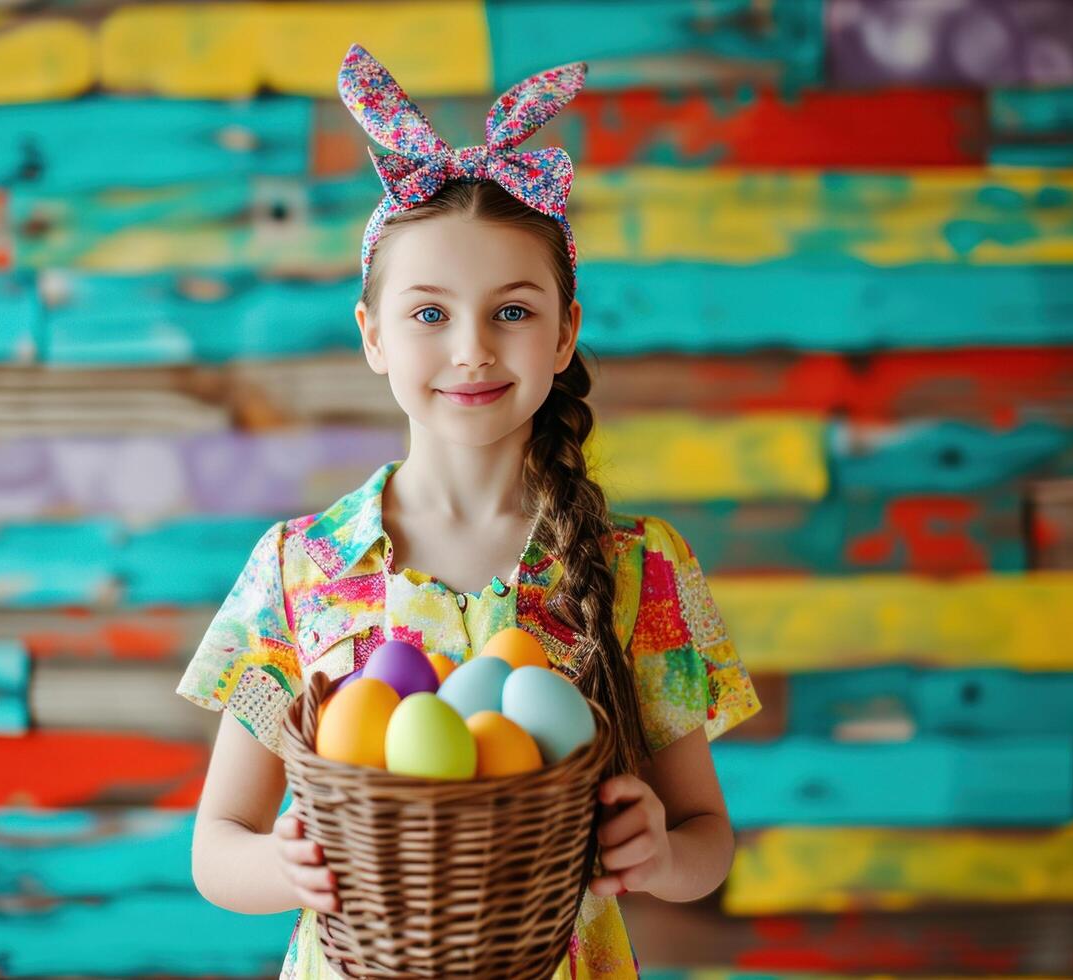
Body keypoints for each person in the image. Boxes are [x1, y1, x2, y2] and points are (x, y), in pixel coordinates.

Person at [175, 41, 763, 979]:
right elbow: (216, 848)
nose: (472, 350)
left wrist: (661, 849)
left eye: (514, 312)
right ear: (371, 335)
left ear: (565, 331)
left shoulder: (641, 566)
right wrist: (281, 866)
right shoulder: (297, 568)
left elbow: (706, 844)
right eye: (428, 313)